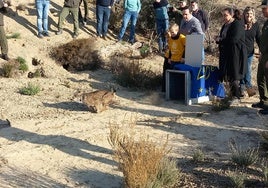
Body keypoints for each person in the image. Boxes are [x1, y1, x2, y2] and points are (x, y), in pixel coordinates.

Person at [216, 7, 247, 104]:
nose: (224, 17)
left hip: (235, 53)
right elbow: (224, 38)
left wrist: (221, 40)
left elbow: (234, 39)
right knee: (227, 74)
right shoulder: (225, 25)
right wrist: (218, 39)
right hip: (226, 53)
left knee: (233, 74)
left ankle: (236, 97)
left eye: (226, 15)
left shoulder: (237, 24)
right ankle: (232, 95)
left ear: (232, 14)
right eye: (223, 15)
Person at [240, 7, 260, 97]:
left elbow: (258, 38)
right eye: (247, 13)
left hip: (249, 52)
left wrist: (261, 50)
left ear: (253, 15)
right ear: (244, 14)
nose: (249, 15)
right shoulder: (240, 24)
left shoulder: (256, 25)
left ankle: (247, 87)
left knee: (247, 69)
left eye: (251, 14)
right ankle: (242, 89)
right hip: (240, 51)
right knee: (240, 70)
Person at [252, 0, 268, 114]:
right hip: (264, 55)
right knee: (260, 78)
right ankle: (263, 101)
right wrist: (261, 53)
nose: (263, 11)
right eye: (262, 8)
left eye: (265, 8)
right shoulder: (267, 22)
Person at [162, 23, 186, 92]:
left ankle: (180, 92)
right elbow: (170, 49)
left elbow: (186, 47)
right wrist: (169, 58)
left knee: (179, 76)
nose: (171, 34)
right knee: (172, 76)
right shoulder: (170, 39)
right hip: (172, 60)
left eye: (173, 32)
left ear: (177, 31)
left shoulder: (182, 38)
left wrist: (183, 57)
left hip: (179, 60)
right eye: (170, 32)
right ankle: (171, 91)